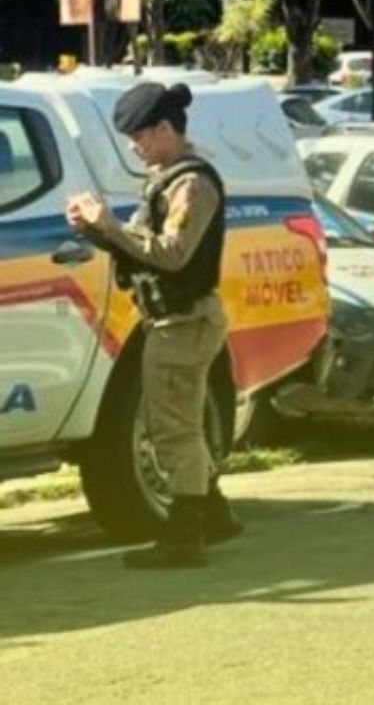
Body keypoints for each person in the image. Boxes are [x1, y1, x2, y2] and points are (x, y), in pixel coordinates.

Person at [65, 83, 241, 570]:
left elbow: (171, 254)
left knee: (173, 430)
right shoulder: (168, 177)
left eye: (138, 136)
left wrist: (109, 227)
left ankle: (184, 537)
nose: (132, 146)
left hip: (183, 321)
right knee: (179, 421)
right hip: (174, 319)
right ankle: (216, 516)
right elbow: (145, 248)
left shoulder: (192, 184)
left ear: (165, 130)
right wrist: (97, 231)